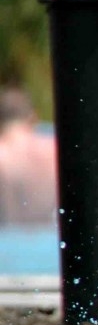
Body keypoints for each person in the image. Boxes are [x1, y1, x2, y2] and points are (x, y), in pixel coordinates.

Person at [0, 87, 58, 226]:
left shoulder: (3, 154)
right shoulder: (55, 149)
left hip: (7, 237)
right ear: (34, 117)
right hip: (52, 236)